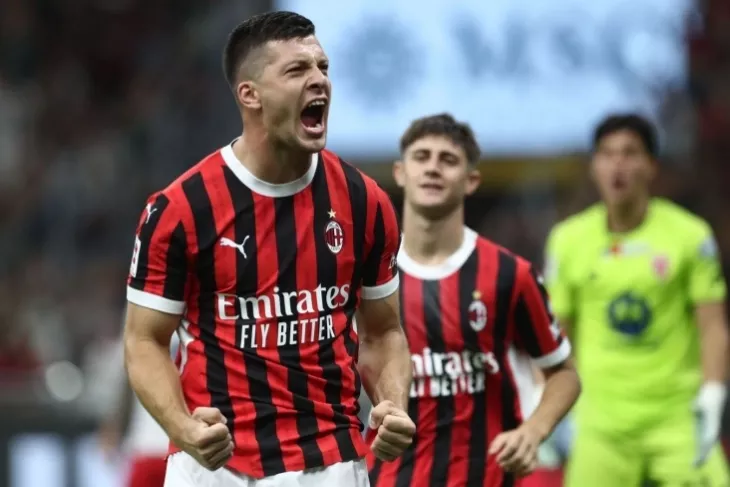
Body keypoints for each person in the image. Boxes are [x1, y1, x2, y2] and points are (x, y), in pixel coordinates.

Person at [123, 11, 415, 487]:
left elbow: (384, 333)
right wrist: (183, 428)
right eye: (297, 70)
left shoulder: (365, 202)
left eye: (322, 67)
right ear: (250, 94)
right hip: (216, 467)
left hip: (331, 464)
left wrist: (393, 404)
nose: (319, 80)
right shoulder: (181, 209)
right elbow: (144, 341)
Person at [365, 114, 581, 487]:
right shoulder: (368, 275)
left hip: (486, 477)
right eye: (421, 157)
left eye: (448, 159)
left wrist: (533, 431)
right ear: (400, 172)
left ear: (471, 181)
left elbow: (563, 373)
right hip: (389, 478)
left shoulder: (510, 274)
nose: (433, 168)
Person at [545, 113, 730, 486]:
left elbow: (713, 327)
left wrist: (712, 394)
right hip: (600, 422)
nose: (618, 165)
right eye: (607, 154)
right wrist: (550, 405)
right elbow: (556, 334)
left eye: (630, 153)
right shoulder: (567, 240)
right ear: (594, 166)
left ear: (651, 166)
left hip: (676, 416)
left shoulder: (690, 235)